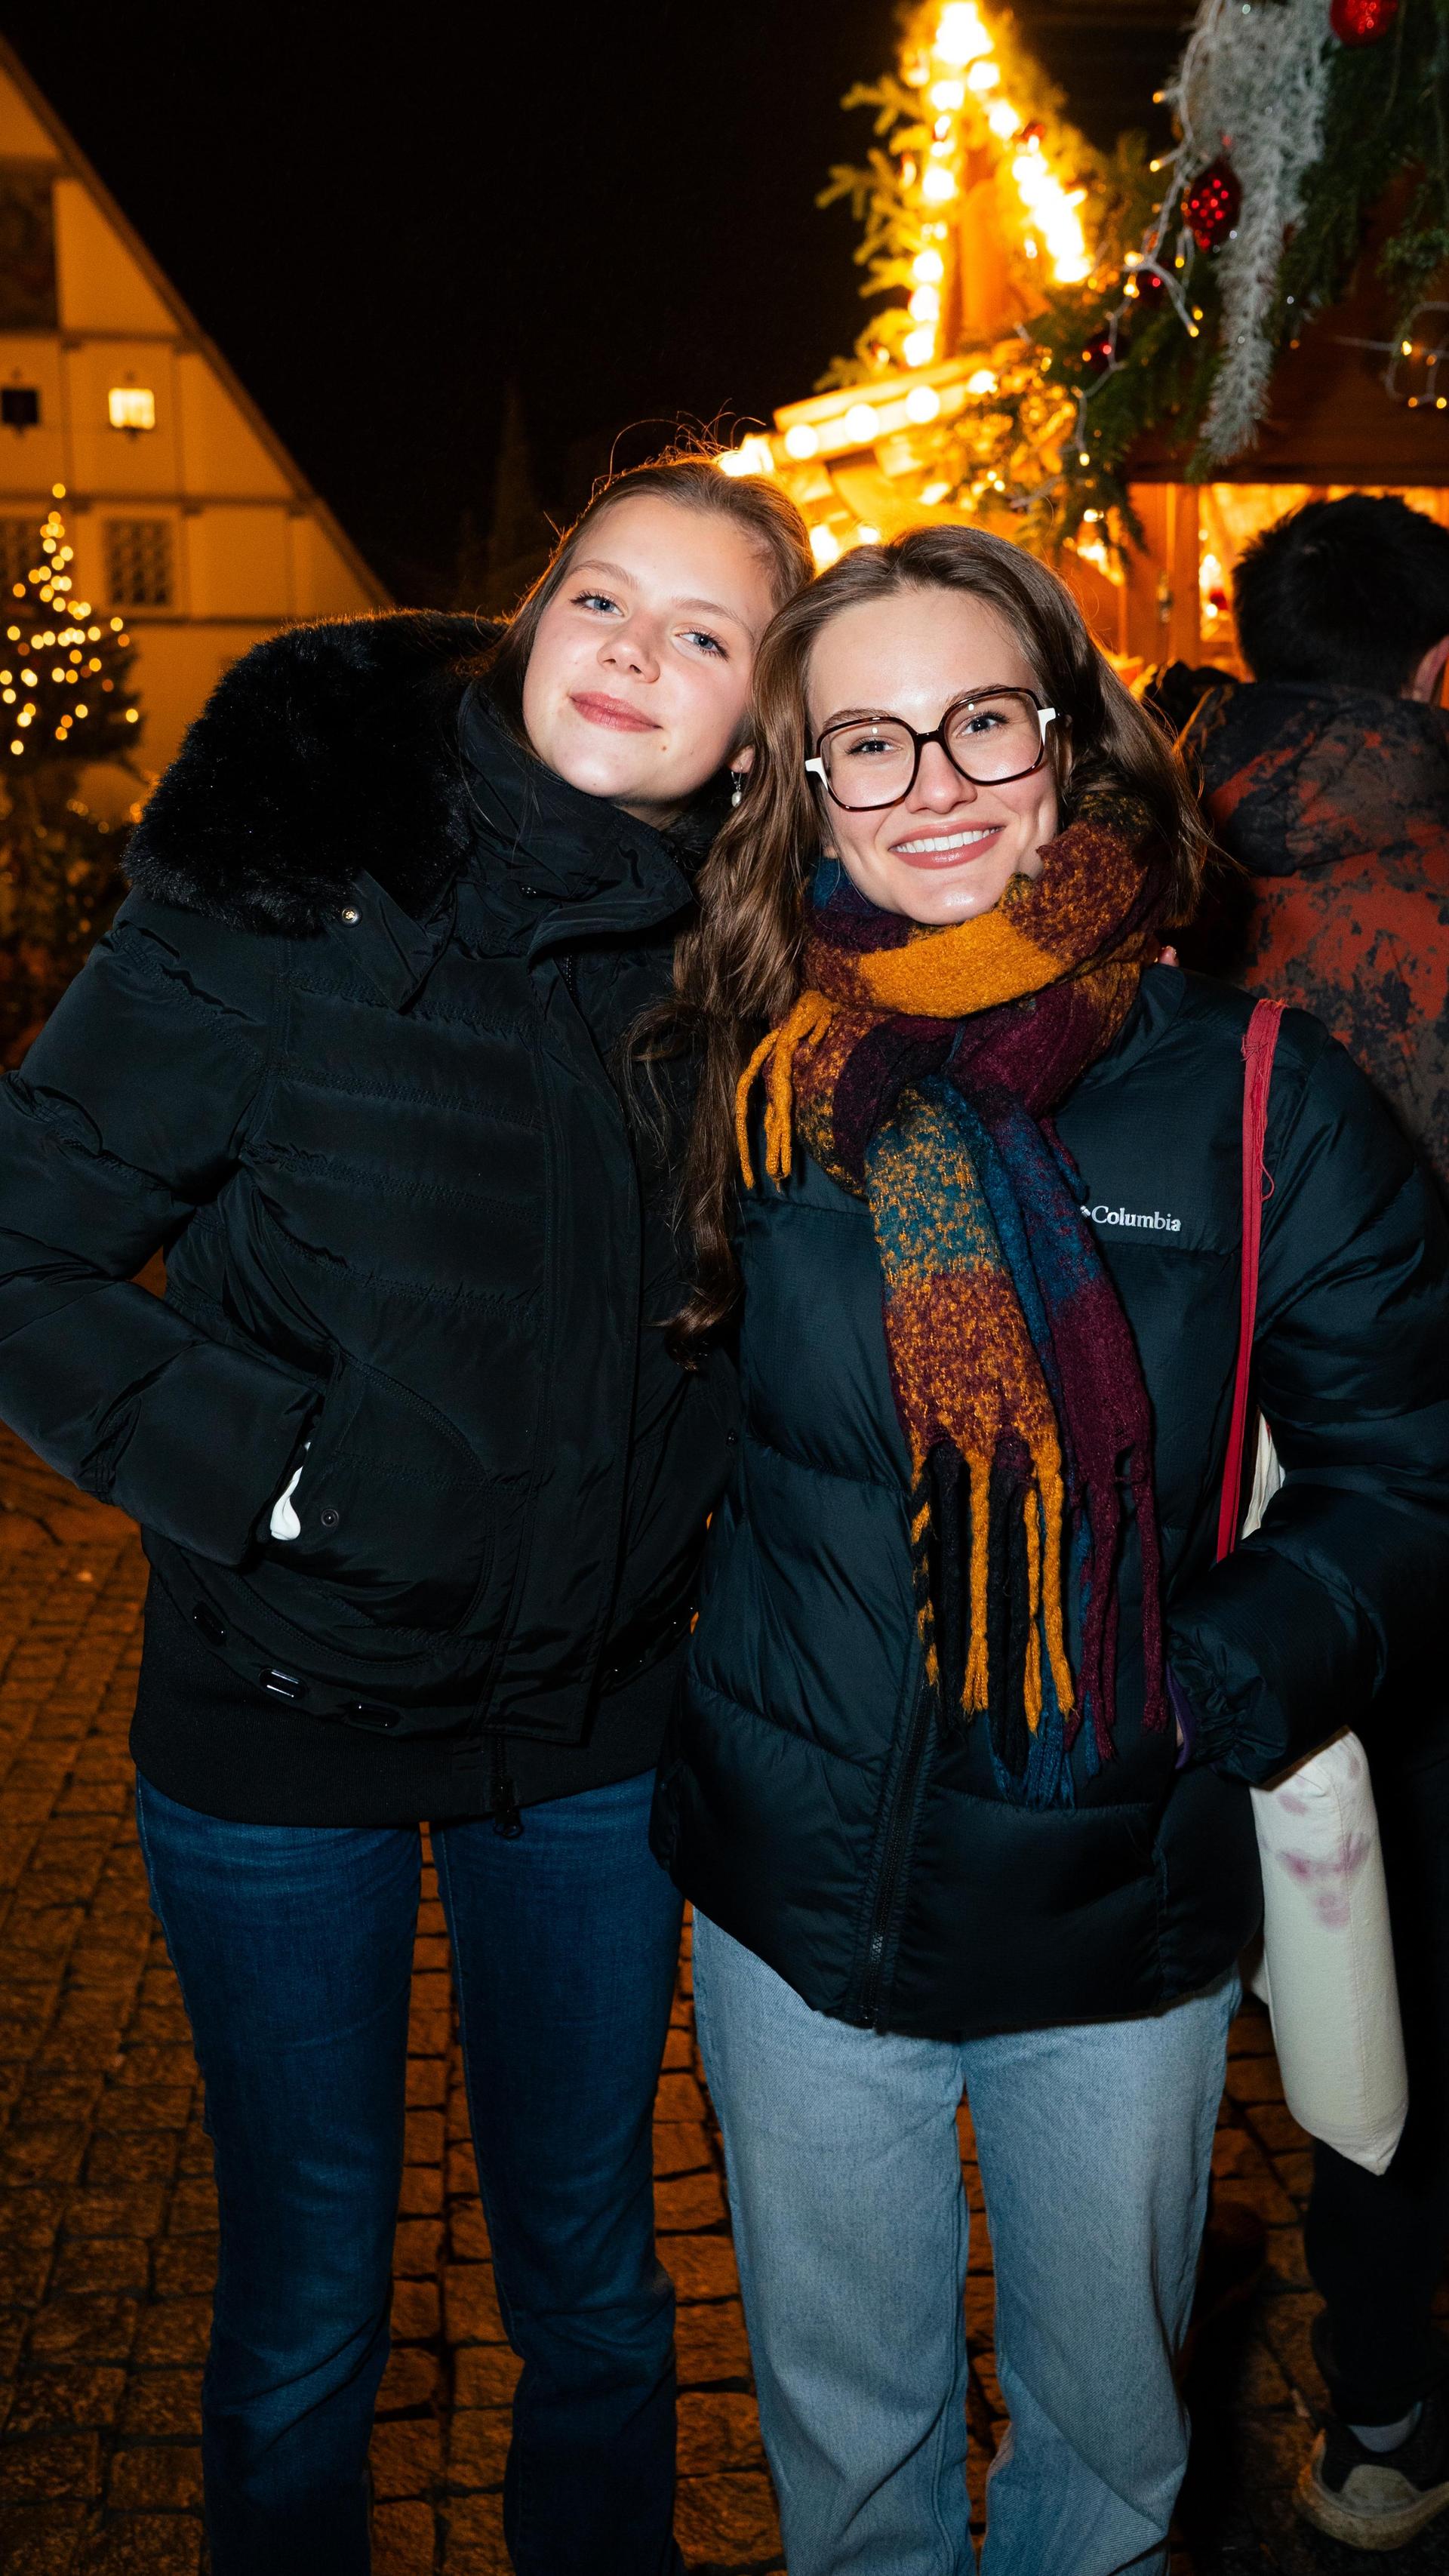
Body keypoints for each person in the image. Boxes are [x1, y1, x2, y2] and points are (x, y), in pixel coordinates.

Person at [0, 452, 811, 2574]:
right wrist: (258, 1474)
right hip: (282, 1724)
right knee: (305, 2309)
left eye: (706, 634)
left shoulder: (757, 969)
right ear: (533, 622)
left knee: (599, 2292)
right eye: (601, 602)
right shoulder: (301, 885)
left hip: (597, 1734)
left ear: (760, 717)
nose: (636, 653)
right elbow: (24, 1244)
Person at [648, 524, 1449, 2576]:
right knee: (853, 2468)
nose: (934, 788)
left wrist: (1211, 1687)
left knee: (1105, 2471)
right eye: (869, 744)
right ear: (800, 783)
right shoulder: (744, 1073)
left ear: (1074, 740)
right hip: (796, 1904)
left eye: (982, 721)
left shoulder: (1256, 1089)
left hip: (1116, 1894)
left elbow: (1410, 1465)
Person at [1150, 492, 1449, 2549]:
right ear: (1437, 671)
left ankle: (1376, 2404)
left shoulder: (1156, 878)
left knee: (1335, 1949)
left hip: (1232, 1538)